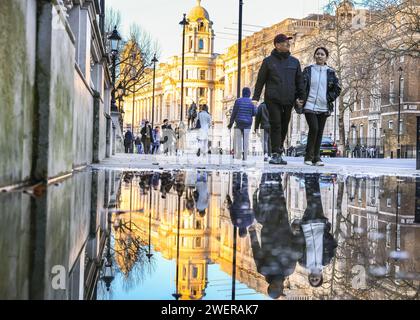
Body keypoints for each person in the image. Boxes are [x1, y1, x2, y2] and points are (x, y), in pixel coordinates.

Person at [252, 34, 305, 165]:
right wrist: (255, 98)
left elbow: (299, 81)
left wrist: (301, 98)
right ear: (277, 45)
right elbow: (260, 81)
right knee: (276, 124)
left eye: (288, 42)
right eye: (285, 42)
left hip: (289, 99)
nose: (288, 44)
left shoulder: (294, 62)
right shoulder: (268, 61)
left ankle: (278, 150)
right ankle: (276, 153)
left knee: (284, 125)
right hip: (273, 99)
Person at [250, 173, 304, 299]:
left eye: (277, 288)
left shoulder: (264, 270)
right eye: (280, 288)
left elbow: (256, 252)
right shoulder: (288, 270)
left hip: (271, 229)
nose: (281, 286)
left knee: (271, 203)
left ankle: (268, 176)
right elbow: (296, 251)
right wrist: (297, 233)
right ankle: (275, 178)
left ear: (272, 286)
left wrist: (252, 233)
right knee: (279, 201)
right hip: (283, 229)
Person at [294, 174, 337, 288]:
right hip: (319, 225)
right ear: (321, 277)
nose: (314, 278)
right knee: (315, 201)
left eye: (312, 279)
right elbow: (332, 245)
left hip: (306, 227)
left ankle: (311, 179)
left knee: (312, 202)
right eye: (316, 279)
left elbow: (298, 247)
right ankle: (311, 179)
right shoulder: (325, 262)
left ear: (309, 277)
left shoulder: (303, 263)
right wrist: (326, 234)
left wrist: (298, 233)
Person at [302, 47, 342, 166]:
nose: (319, 56)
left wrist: (328, 98)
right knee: (314, 128)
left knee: (319, 131)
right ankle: (308, 156)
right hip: (309, 104)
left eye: (322, 54)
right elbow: (301, 85)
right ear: (315, 56)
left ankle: (317, 157)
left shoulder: (330, 72)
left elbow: (337, 88)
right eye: (317, 54)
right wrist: (300, 98)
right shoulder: (308, 70)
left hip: (324, 106)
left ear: (326, 57)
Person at [228, 87, 256, 161]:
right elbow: (255, 113)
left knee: (238, 139)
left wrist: (231, 123)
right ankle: (245, 157)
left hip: (239, 122)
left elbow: (234, 113)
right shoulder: (252, 102)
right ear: (249, 93)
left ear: (242, 93)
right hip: (247, 124)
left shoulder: (238, 101)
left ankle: (237, 154)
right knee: (246, 140)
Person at [226, 172, 255, 238]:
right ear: (239, 231)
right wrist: (229, 200)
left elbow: (252, 212)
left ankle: (245, 173)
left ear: (246, 230)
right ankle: (238, 172)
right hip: (237, 202)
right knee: (236, 187)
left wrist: (247, 208)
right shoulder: (235, 223)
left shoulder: (250, 222)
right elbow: (231, 211)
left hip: (246, 203)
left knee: (245, 188)